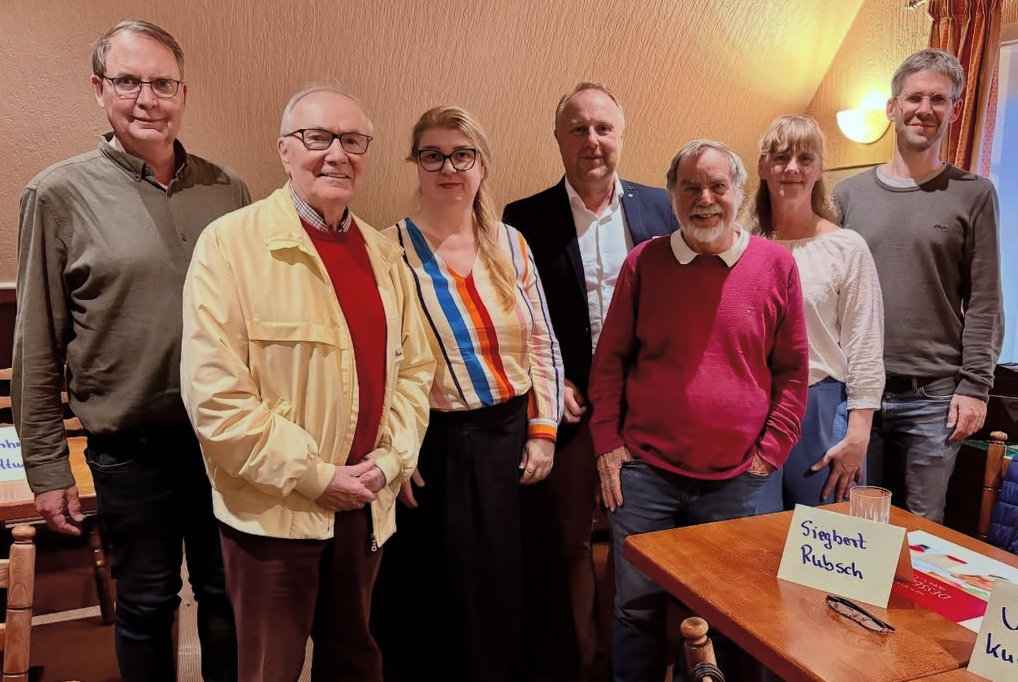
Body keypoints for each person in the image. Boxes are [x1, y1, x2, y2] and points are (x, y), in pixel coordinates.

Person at [13, 20, 248, 682]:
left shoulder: (228, 191)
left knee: (228, 598)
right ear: (99, 89)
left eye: (162, 83)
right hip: (130, 450)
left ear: (183, 92)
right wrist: (47, 467)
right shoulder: (57, 194)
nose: (147, 98)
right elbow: (37, 340)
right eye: (127, 81)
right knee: (145, 606)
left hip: (226, 439)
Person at [180, 86, 434, 682]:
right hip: (274, 512)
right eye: (317, 138)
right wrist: (316, 477)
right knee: (269, 667)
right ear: (284, 150)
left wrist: (390, 461)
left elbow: (415, 371)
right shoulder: (229, 245)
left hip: (365, 505)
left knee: (354, 659)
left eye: (353, 141)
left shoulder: (384, 254)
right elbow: (215, 398)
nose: (337, 154)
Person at [589, 139, 808, 682]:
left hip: (742, 480)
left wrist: (770, 453)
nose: (704, 199)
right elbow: (610, 362)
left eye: (717, 186)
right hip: (646, 476)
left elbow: (792, 372)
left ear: (739, 193)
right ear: (671, 196)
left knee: (737, 616)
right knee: (635, 611)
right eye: (690, 187)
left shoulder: (777, 265)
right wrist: (607, 445)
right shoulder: (645, 263)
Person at [374, 105, 563, 682]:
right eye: (433, 155)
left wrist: (544, 432)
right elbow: (379, 364)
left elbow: (542, 343)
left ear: (482, 164)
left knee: (512, 588)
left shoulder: (511, 243)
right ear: (415, 163)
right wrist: (396, 450)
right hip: (436, 449)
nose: (448, 168)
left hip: (514, 444)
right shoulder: (389, 251)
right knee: (446, 596)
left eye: (462, 155)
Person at [501, 82, 677, 679]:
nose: (592, 140)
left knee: (645, 544)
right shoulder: (523, 220)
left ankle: (638, 664)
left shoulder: (663, 209)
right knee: (568, 544)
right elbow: (519, 320)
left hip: (646, 411)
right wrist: (553, 382)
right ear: (558, 138)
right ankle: (580, 663)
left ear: (621, 135)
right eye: (578, 128)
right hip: (570, 409)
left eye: (603, 128)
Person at [834, 48, 1004, 523]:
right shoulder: (847, 196)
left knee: (922, 532)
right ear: (893, 108)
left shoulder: (974, 194)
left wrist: (976, 387)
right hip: (855, 394)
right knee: (853, 528)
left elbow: (986, 300)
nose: (924, 109)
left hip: (934, 400)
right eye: (914, 98)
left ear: (954, 111)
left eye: (938, 99)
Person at [753, 115, 885, 507]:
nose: (792, 168)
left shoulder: (847, 248)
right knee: (751, 533)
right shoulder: (741, 246)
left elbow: (865, 344)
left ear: (820, 169)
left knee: (823, 531)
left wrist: (858, 432)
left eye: (805, 158)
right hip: (753, 406)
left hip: (819, 410)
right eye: (780, 157)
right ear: (762, 167)